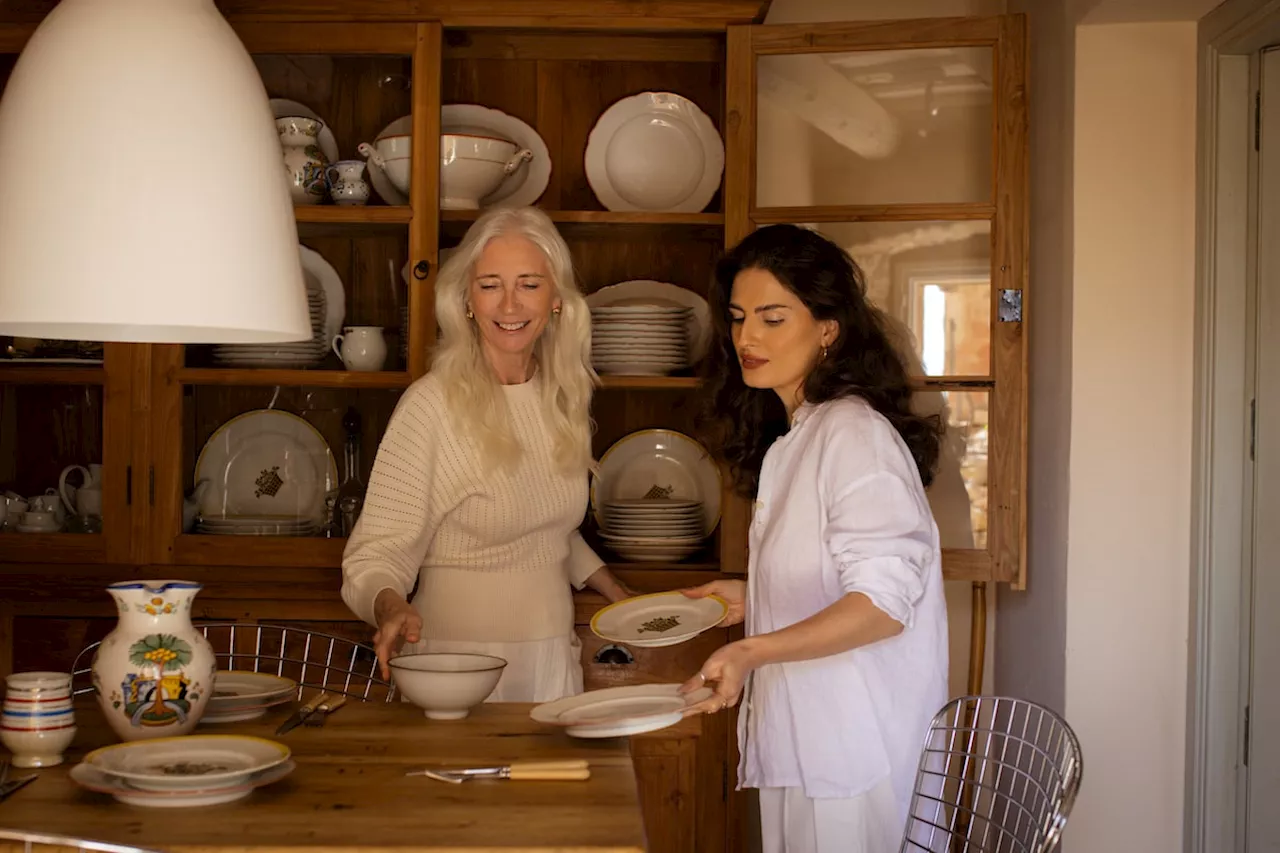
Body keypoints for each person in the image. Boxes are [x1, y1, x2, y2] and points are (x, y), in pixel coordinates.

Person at [678, 224, 949, 852]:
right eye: (739, 317)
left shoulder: (852, 433)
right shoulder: (800, 435)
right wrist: (751, 595)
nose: (746, 337)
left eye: (773, 318)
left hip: (853, 754)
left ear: (828, 327)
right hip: (814, 743)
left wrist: (750, 652)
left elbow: (883, 605)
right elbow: (837, 574)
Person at [341, 206, 631, 703]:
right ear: (468, 300)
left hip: (551, 659)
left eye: (530, 284)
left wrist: (620, 597)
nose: (510, 304)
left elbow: (544, 528)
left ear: (557, 299)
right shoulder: (431, 405)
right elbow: (375, 552)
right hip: (453, 666)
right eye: (491, 284)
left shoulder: (561, 396)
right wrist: (390, 605)